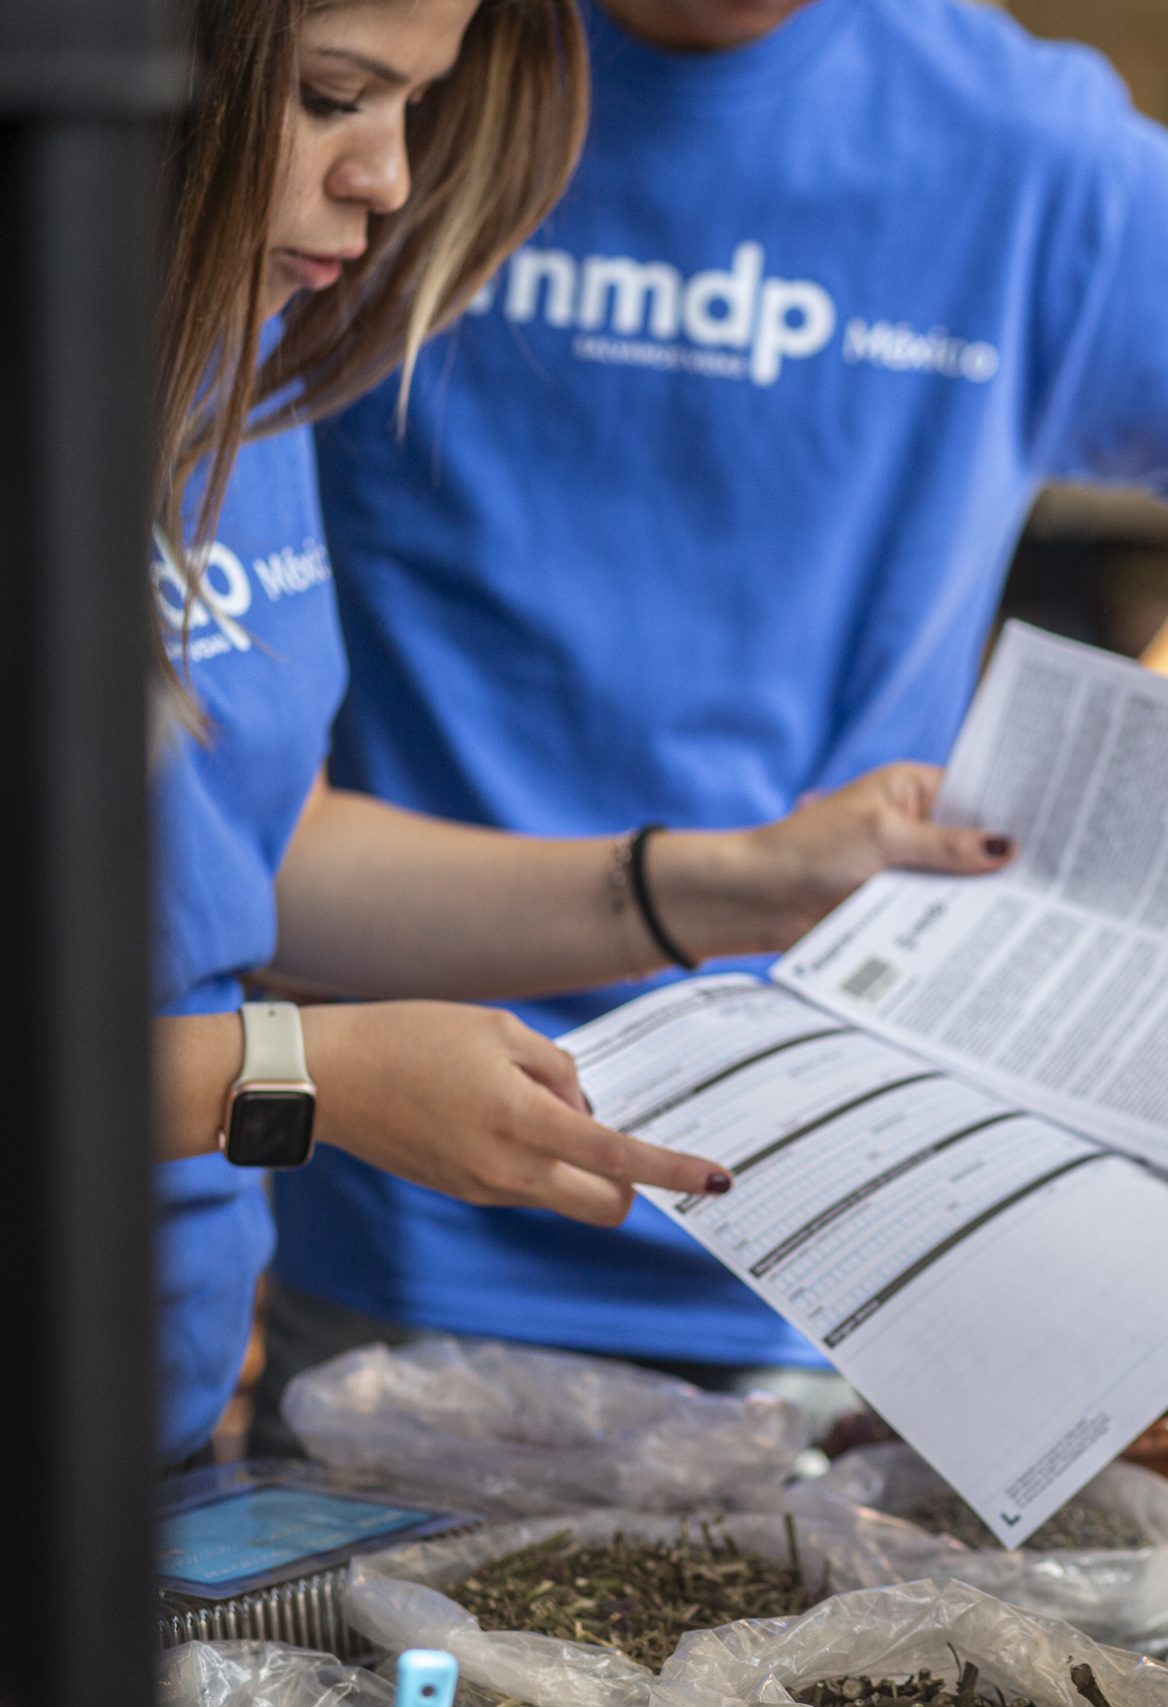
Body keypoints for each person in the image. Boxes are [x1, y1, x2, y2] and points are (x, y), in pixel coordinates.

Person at [253, 0, 1168, 1437]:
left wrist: (1111, 760)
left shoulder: (1011, 137)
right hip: (408, 1161)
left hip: (835, 1215)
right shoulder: (420, 74)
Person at [153, 0, 1006, 1467]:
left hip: (149, 1409)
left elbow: (248, 859)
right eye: (333, 96)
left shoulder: (252, 361)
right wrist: (312, 1075)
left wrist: (716, 886)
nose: (386, 178)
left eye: (416, 107)